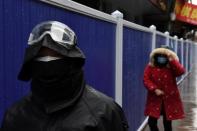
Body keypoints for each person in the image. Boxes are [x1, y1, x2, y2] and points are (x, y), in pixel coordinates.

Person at [1, 21, 128, 131]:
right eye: (41, 56)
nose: (48, 63)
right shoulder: (15, 116)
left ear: (72, 61)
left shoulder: (105, 112)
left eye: (56, 55)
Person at [143, 46, 185, 131]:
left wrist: (172, 59)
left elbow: (181, 71)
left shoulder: (171, 67)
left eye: (164, 56)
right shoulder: (150, 67)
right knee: (151, 122)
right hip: (154, 99)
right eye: (160, 55)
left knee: (167, 123)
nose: (162, 58)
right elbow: (146, 79)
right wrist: (155, 89)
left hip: (169, 99)